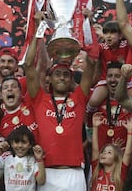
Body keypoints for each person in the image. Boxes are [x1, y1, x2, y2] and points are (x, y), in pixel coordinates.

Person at [24, 12, 96, 190]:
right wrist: (39, 29)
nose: (62, 78)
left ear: (72, 79)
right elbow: (28, 65)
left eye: (66, 75)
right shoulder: (40, 98)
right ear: (50, 79)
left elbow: (92, 63)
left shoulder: (78, 97)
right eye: (58, 74)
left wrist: (89, 25)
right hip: (46, 172)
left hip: (74, 174)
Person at [0, 125, 46, 190]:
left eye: (24, 142)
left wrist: (39, 159)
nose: (20, 145)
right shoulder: (6, 157)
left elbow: (41, 181)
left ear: (30, 145)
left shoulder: (33, 159)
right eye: (16, 142)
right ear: (11, 144)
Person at [91, 112, 132, 191]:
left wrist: (130, 131)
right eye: (103, 151)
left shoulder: (120, 173)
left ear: (116, 158)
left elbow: (127, 153)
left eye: (109, 152)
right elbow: (95, 149)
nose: (104, 153)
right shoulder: (97, 171)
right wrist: (95, 127)